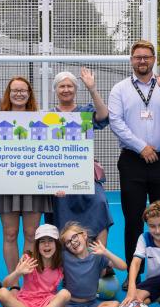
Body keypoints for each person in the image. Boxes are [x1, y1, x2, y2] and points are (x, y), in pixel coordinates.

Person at [108, 40, 160, 288]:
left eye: (147, 57)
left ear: (154, 59)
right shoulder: (119, 89)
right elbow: (116, 122)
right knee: (133, 219)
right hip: (133, 161)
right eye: (138, 57)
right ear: (131, 60)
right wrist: (141, 147)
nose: (142, 61)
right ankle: (133, 275)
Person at [0, 76, 53, 273]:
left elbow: (51, 150)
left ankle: (29, 281)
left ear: (29, 94)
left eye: (23, 90)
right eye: (15, 90)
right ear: (9, 94)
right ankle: (14, 281)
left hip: (33, 184)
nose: (19, 94)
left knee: (31, 234)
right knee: (10, 234)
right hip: (6, 184)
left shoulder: (41, 119)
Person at [49, 69, 114, 246]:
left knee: (100, 202)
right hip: (58, 175)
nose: (66, 89)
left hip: (84, 173)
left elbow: (103, 116)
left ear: (76, 89)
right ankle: (65, 259)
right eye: (62, 86)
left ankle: (100, 257)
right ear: (56, 89)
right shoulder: (47, 115)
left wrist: (92, 89)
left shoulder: (85, 111)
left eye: (70, 85)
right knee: (61, 209)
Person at [0, 224, 71, 307]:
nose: (46, 244)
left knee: (65, 294)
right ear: (37, 245)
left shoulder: (60, 264)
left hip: (47, 305)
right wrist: (18, 272)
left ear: (56, 244)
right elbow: (5, 284)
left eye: (50, 240)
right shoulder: (28, 260)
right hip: (24, 306)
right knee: (1, 293)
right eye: (42, 241)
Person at [53, 222, 127, 307]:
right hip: (71, 304)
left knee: (115, 305)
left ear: (84, 235)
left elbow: (123, 266)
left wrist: (106, 252)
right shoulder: (65, 257)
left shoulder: (97, 255)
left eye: (74, 236)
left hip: (92, 304)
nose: (72, 242)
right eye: (68, 242)